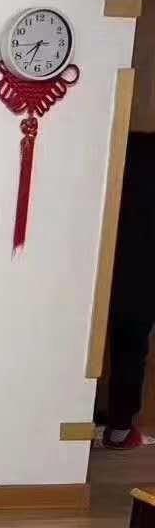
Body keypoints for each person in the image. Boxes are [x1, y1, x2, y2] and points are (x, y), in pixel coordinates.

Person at [104, 131, 155, 449]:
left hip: (112, 256)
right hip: (141, 263)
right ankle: (119, 428)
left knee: (123, 341)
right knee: (131, 343)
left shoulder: (127, 144)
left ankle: (114, 425)